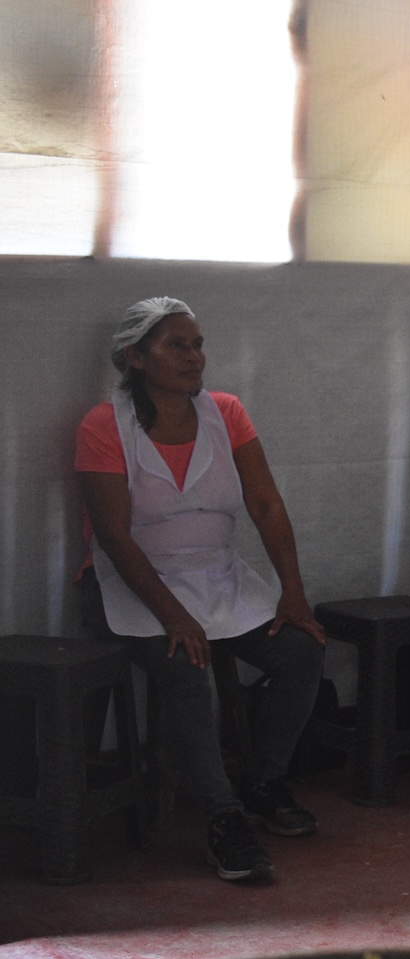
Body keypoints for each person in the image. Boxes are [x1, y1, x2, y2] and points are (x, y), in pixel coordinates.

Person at [74, 297, 326, 882]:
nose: (194, 357)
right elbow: (111, 535)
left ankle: (265, 783)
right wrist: (175, 616)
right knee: (187, 668)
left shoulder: (226, 412)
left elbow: (265, 504)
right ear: (136, 357)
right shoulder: (103, 424)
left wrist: (292, 591)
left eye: (197, 344)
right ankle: (222, 818)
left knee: (301, 649)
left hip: (218, 573)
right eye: (176, 346)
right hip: (132, 582)